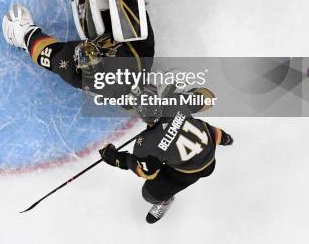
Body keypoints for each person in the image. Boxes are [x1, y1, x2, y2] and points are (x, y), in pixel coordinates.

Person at [2, 0, 155, 94]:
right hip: (136, 53)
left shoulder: (69, 67)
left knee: (95, 29)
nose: (93, 50)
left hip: (110, 66)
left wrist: (23, 34)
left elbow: (45, 52)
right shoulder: (127, 73)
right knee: (132, 34)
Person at [99, 84, 233, 224]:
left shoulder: (145, 145)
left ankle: (165, 200)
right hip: (210, 155)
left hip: (188, 172)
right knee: (202, 128)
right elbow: (208, 98)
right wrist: (184, 96)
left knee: (149, 194)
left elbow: (148, 173)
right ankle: (225, 138)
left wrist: (119, 158)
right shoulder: (175, 101)